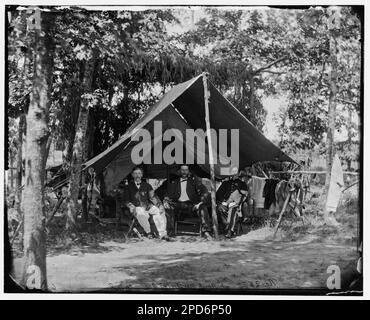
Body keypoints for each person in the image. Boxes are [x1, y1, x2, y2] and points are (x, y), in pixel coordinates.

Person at [164, 164, 212, 239]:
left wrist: (200, 202)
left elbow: (204, 191)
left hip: (191, 205)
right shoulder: (174, 182)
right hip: (178, 204)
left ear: (188, 171)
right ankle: (170, 232)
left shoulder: (194, 181)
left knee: (203, 208)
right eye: (182, 170)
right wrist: (166, 201)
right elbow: (168, 194)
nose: (184, 172)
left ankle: (206, 231)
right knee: (168, 207)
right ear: (179, 171)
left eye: (186, 170)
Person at [123, 166, 170, 240]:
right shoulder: (128, 187)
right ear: (132, 175)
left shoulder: (147, 185)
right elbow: (126, 200)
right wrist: (130, 206)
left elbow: (153, 197)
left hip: (147, 206)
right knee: (140, 212)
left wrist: (160, 205)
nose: (137, 175)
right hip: (136, 207)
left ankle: (162, 234)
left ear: (142, 175)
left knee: (159, 211)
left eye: (139, 173)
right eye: (135, 173)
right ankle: (148, 232)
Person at [216, 168, 248, 238]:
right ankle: (226, 226)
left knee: (232, 210)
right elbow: (218, 195)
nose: (234, 175)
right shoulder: (225, 183)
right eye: (233, 173)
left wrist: (237, 203)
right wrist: (223, 202)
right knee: (219, 209)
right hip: (225, 203)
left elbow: (244, 196)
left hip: (236, 204)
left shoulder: (242, 184)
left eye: (236, 173)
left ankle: (230, 230)